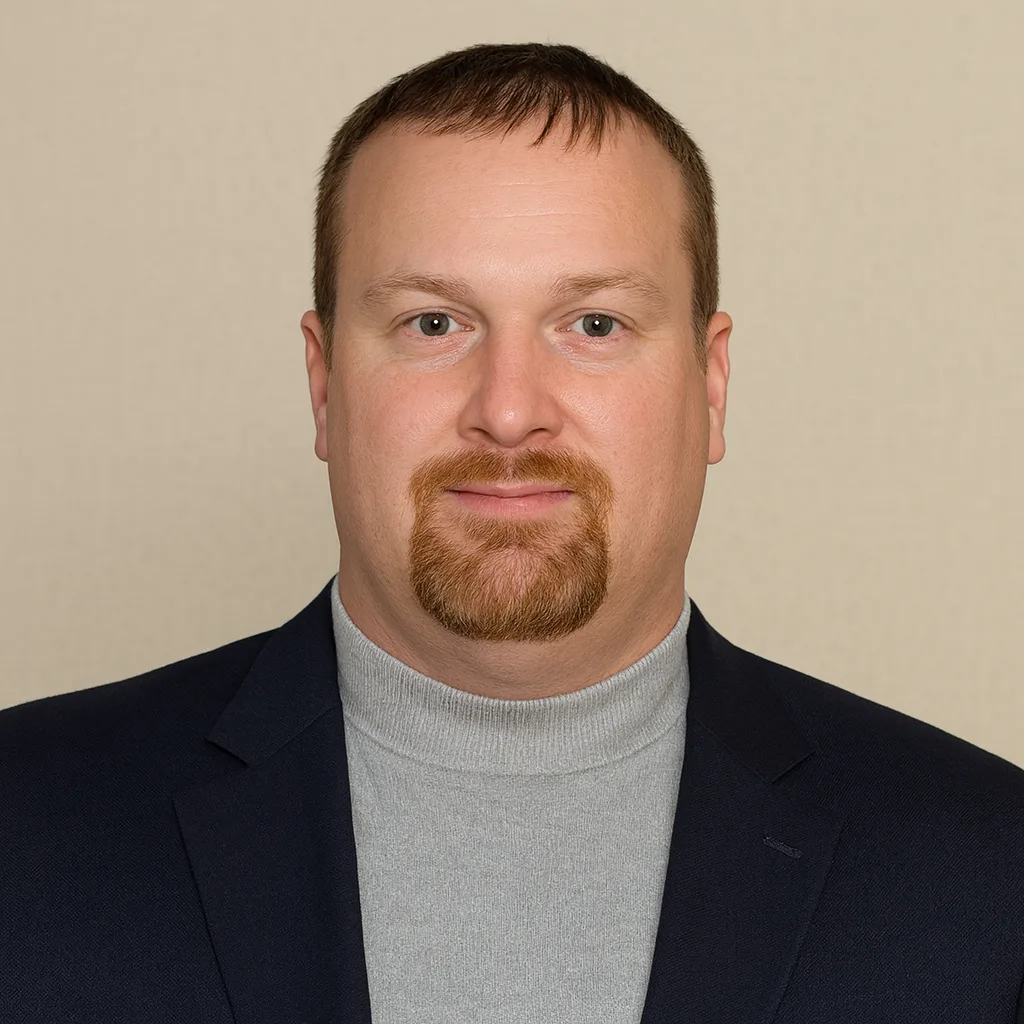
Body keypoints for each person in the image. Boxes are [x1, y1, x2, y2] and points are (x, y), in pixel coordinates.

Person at [2, 41, 1022, 1024]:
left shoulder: (984, 869)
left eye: (594, 325)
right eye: (433, 323)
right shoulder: (28, 827)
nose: (507, 409)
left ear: (710, 387)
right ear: (323, 386)